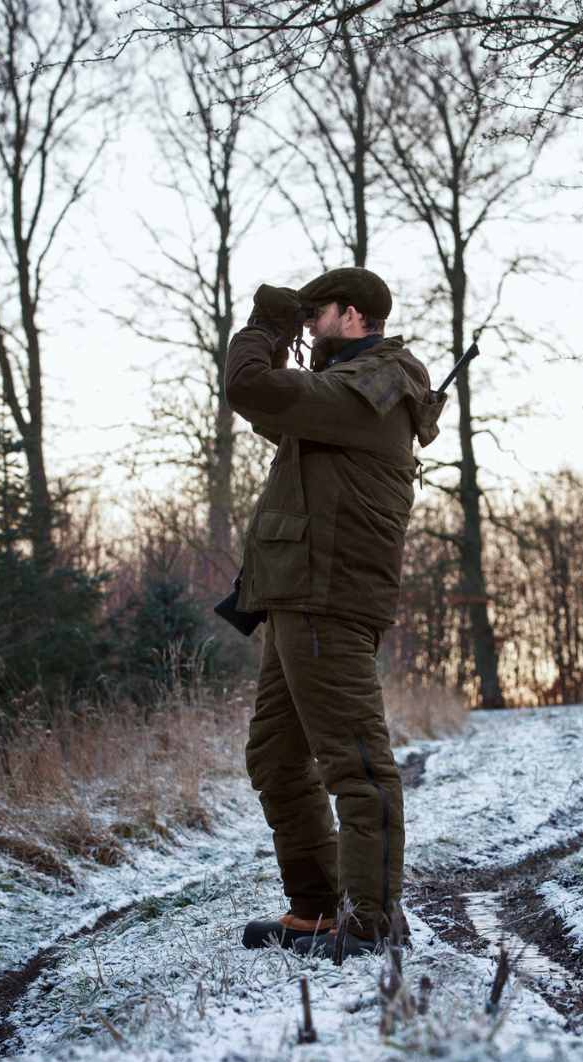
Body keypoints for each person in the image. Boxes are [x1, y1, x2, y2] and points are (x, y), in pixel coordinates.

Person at [224, 267, 444, 960]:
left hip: (327, 598)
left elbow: (252, 385)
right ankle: (315, 910)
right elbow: (269, 407)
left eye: (317, 314)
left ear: (353, 315)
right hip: (300, 596)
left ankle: (374, 921)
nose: (309, 326)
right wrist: (287, 342)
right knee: (276, 759)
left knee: (355, 763)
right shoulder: (348, 390)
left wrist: (263, 329)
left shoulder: (375, 384)